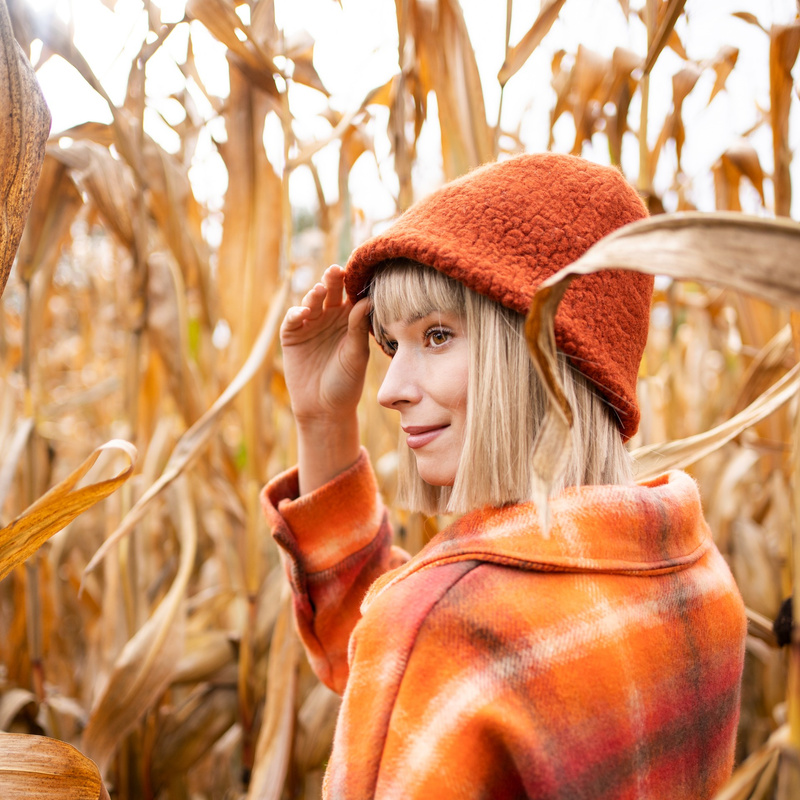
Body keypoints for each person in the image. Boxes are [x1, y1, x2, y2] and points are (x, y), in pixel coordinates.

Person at [261, 153, 747, 800]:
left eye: (437, 335)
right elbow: (387, 653)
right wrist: (322, 421)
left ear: (540, 355)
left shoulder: (444, 635)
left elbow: (414, 651)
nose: (390, 390)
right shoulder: (701, 582)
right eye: (389, 344)